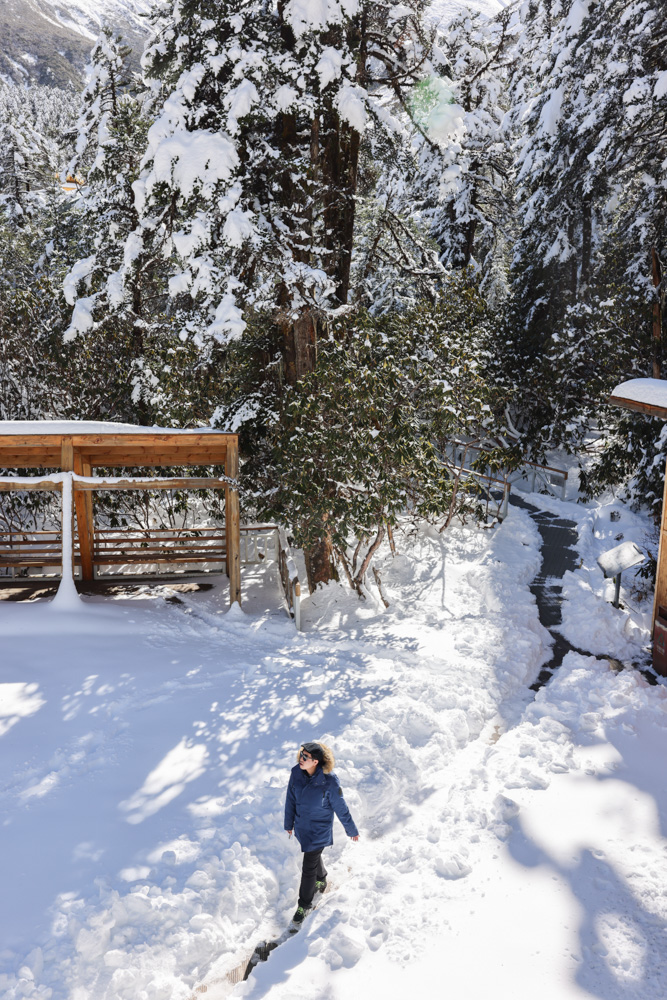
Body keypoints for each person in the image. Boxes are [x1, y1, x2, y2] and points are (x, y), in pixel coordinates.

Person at [284, 740, 359, 923]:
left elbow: (341, 807)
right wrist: (289, 823)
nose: (301, 758)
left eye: (306, 757)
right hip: (303, 827)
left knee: (308, 866)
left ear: (316, 761)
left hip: (319, 829)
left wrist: (351, 829)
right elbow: (290, 799)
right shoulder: (296, 773)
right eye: (301, 754)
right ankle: (322, 877)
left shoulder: (329, 781)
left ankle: (304, 904)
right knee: (312, 856)